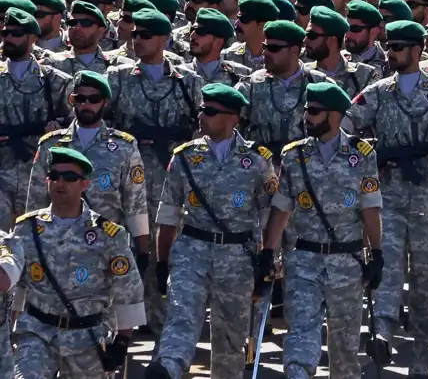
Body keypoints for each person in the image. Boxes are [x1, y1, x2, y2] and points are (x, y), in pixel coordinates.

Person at [145, 83, 279, 379]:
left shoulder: (257, 159)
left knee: (230, 340)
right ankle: (167, 367)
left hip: (237, 257)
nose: (201, 116)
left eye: (210, 111)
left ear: (233, 117)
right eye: (201, 109)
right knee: (181, 317)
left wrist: (268, 257)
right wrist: (162, 261)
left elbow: (269, 214)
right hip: (192, 250)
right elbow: (168, 214)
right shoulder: (184, 157)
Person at [262, 81, 383, 379]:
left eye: (314, 112)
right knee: (301, 331)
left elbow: (370, 209)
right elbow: (280, 210)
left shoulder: (362, 155)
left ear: (335, 116)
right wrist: (268, 251)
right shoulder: (294, 155)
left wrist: (377, 254)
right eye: (306, 111)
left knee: (345, 348)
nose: (307, 117)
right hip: (303, 259)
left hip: (346, 262)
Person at [11, 146, 143, 379]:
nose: (61, 183)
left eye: (70, 177)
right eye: (55, 176)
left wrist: (122, 342)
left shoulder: (109, 235)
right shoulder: (26, 228)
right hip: (37, 333)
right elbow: (17, 287)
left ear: (85, 184)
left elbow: (127, 291)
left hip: (87, 339)